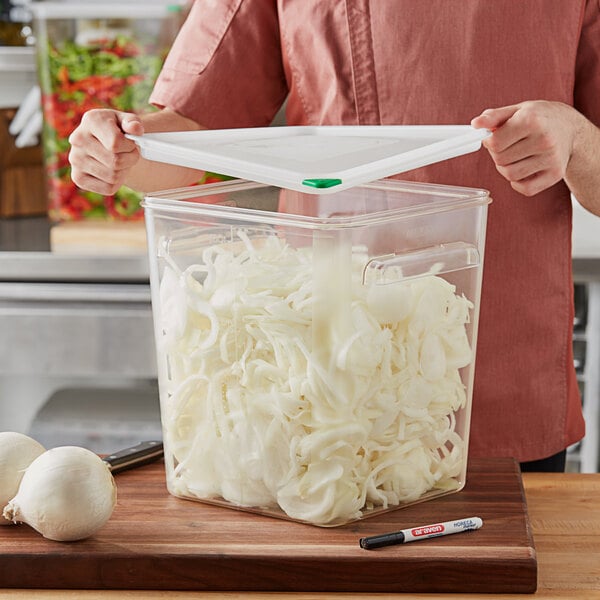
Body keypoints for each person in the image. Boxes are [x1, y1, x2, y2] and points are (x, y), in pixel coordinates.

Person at [68, 0, 600, 472]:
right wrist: (120, 147)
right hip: (315, 371)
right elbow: (189, 132)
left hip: (503, 373)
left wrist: (574, 137)